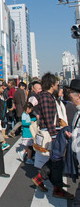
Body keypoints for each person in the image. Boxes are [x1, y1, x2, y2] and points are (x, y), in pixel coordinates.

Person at [32, 72, 73, 200]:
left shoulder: (47, 96)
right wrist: (55, 135)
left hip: (53, 131)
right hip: (51, 132)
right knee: (57, 161)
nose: (57, 85)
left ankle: (43, 179)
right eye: (55, 83)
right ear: (51, 84)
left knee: (55, 159)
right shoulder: (46, 97)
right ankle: (57, 188)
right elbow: (49, 118)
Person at [48, 78, 80, 207]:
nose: (68, 96)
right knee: (78, 203)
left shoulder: (73, 110)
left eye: (71, 94)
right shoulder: (75, 111)